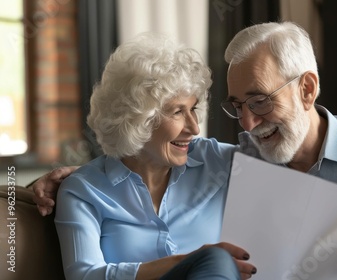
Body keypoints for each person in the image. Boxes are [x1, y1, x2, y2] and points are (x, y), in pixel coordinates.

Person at [33, 22, 337, 279]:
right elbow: (136, 160)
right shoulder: (240, 155)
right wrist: (46, 183)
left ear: (308, 89)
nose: (250, 124)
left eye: (260, 101)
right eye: (238, 107)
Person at [50, 32, 256, 280]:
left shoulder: (218, 162)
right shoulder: (84, 190)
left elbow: (294, 158)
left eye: (193, 109)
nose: (194, 128)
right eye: (178, 112)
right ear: (137, 118)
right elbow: (84, 275)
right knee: (216, 259)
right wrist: (190, 262)